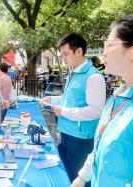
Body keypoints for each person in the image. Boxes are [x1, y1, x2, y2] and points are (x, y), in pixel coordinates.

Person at [71, 13, 133, 187]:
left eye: (109, 44)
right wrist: (82, 177)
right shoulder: (119, 94)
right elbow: (101, 142)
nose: (103, 51)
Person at [41, 33, 106, 185]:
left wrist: (63, 111)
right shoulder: (74, 72)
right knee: (67, 174)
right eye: (61, 54)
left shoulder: (93, 77)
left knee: (79, 178)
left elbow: (95, 111)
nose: (63, 58)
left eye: (66, 54)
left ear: (79, 51)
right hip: (66, 132)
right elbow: (70, 99)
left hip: (81, 138)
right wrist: (53, 99)